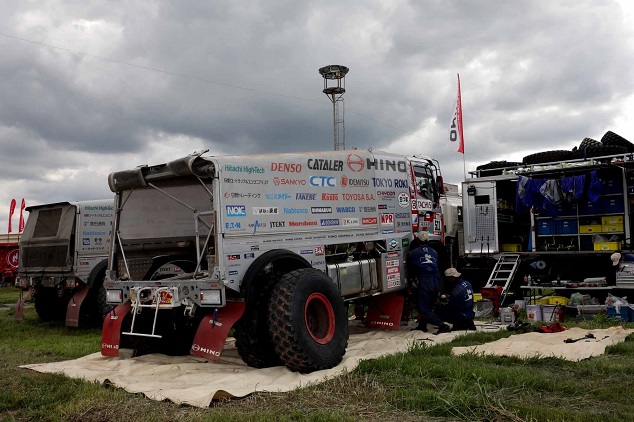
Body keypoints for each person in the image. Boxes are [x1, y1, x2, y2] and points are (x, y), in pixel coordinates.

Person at [408, 231, 451, 334]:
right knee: (429, 306)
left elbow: (410, 269)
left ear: (418, 240)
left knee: (423, 307)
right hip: (436, 279)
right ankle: (422, 325)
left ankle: (442, 325)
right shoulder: (434, 252)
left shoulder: (413, 253)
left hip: (425, 280)